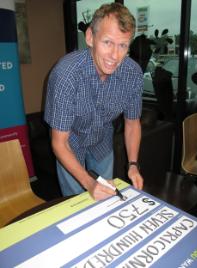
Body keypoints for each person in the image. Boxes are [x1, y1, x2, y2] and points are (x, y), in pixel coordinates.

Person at [44, 3, 144, 201]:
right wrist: (89, 184)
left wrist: (133, 164)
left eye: (123, 45)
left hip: (102, 140)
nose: (114, 56)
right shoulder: (66, 75)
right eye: (107, 42)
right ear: (90, 37)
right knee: (76, 203)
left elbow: (132, 123)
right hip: (69, 143)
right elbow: (59, 142)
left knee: (107, 199)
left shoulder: (133, 74)